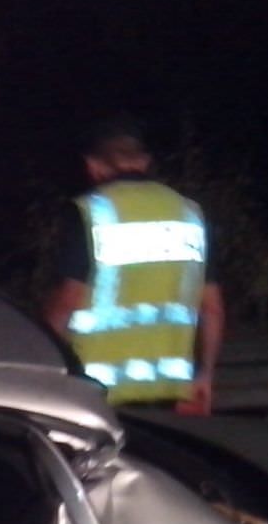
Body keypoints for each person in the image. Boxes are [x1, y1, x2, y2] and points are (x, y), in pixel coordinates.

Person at [45, 117, 226, 414]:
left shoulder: (90, 211)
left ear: (93, 166)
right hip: (169, 388)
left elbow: (66, 302)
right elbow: (213, 308)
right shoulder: (189, 212)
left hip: (94, 389)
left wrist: (45, 363)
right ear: (144, 162)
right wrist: (204, 376)